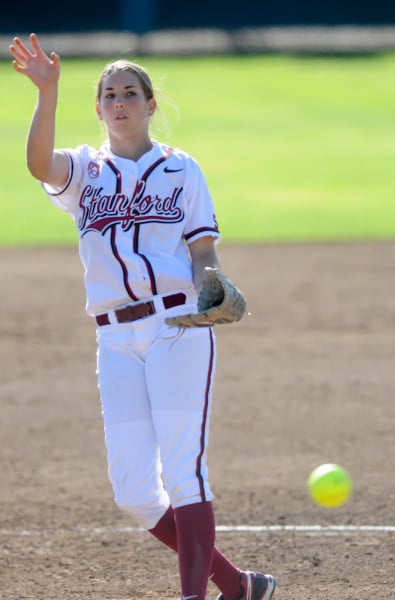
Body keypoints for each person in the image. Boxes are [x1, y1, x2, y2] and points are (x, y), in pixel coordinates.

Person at [9, 33, 277, 600]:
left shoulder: (183, 171)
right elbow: (37, 162)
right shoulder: (83, 171)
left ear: (150, 105)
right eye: (109, 94)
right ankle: (238, 585)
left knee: (184, 472)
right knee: (133, 490)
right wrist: (47, 93)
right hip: (114, 337)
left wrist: (212, 286)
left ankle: (193, 596)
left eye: (131, 92)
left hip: (176, 327)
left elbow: (203, 249)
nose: (120, 101)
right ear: (100, 108)